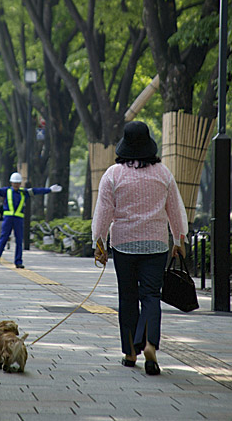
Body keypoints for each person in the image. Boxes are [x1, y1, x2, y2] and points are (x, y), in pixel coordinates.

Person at [92, 121, 188, 376]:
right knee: (151, 296)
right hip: (156, 244)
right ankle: (150, 345)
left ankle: (130, 352)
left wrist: (98, 243)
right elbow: (175, 210)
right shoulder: (163, 174)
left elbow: (103, 213)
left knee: (127, 297)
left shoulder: (113, 174)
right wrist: (178, 240)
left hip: (124, 244)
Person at [0, 172, 62, 268]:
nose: (16, 185)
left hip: (18, 219)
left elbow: (37, 191)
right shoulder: (6, 191)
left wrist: (49, 190)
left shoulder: (24, 192)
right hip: (8, 219)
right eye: (14, 183)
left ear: (20, 183)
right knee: (3, 239)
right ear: (11, 183)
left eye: (17, 183)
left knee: (19, 241)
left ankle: (18, 262)